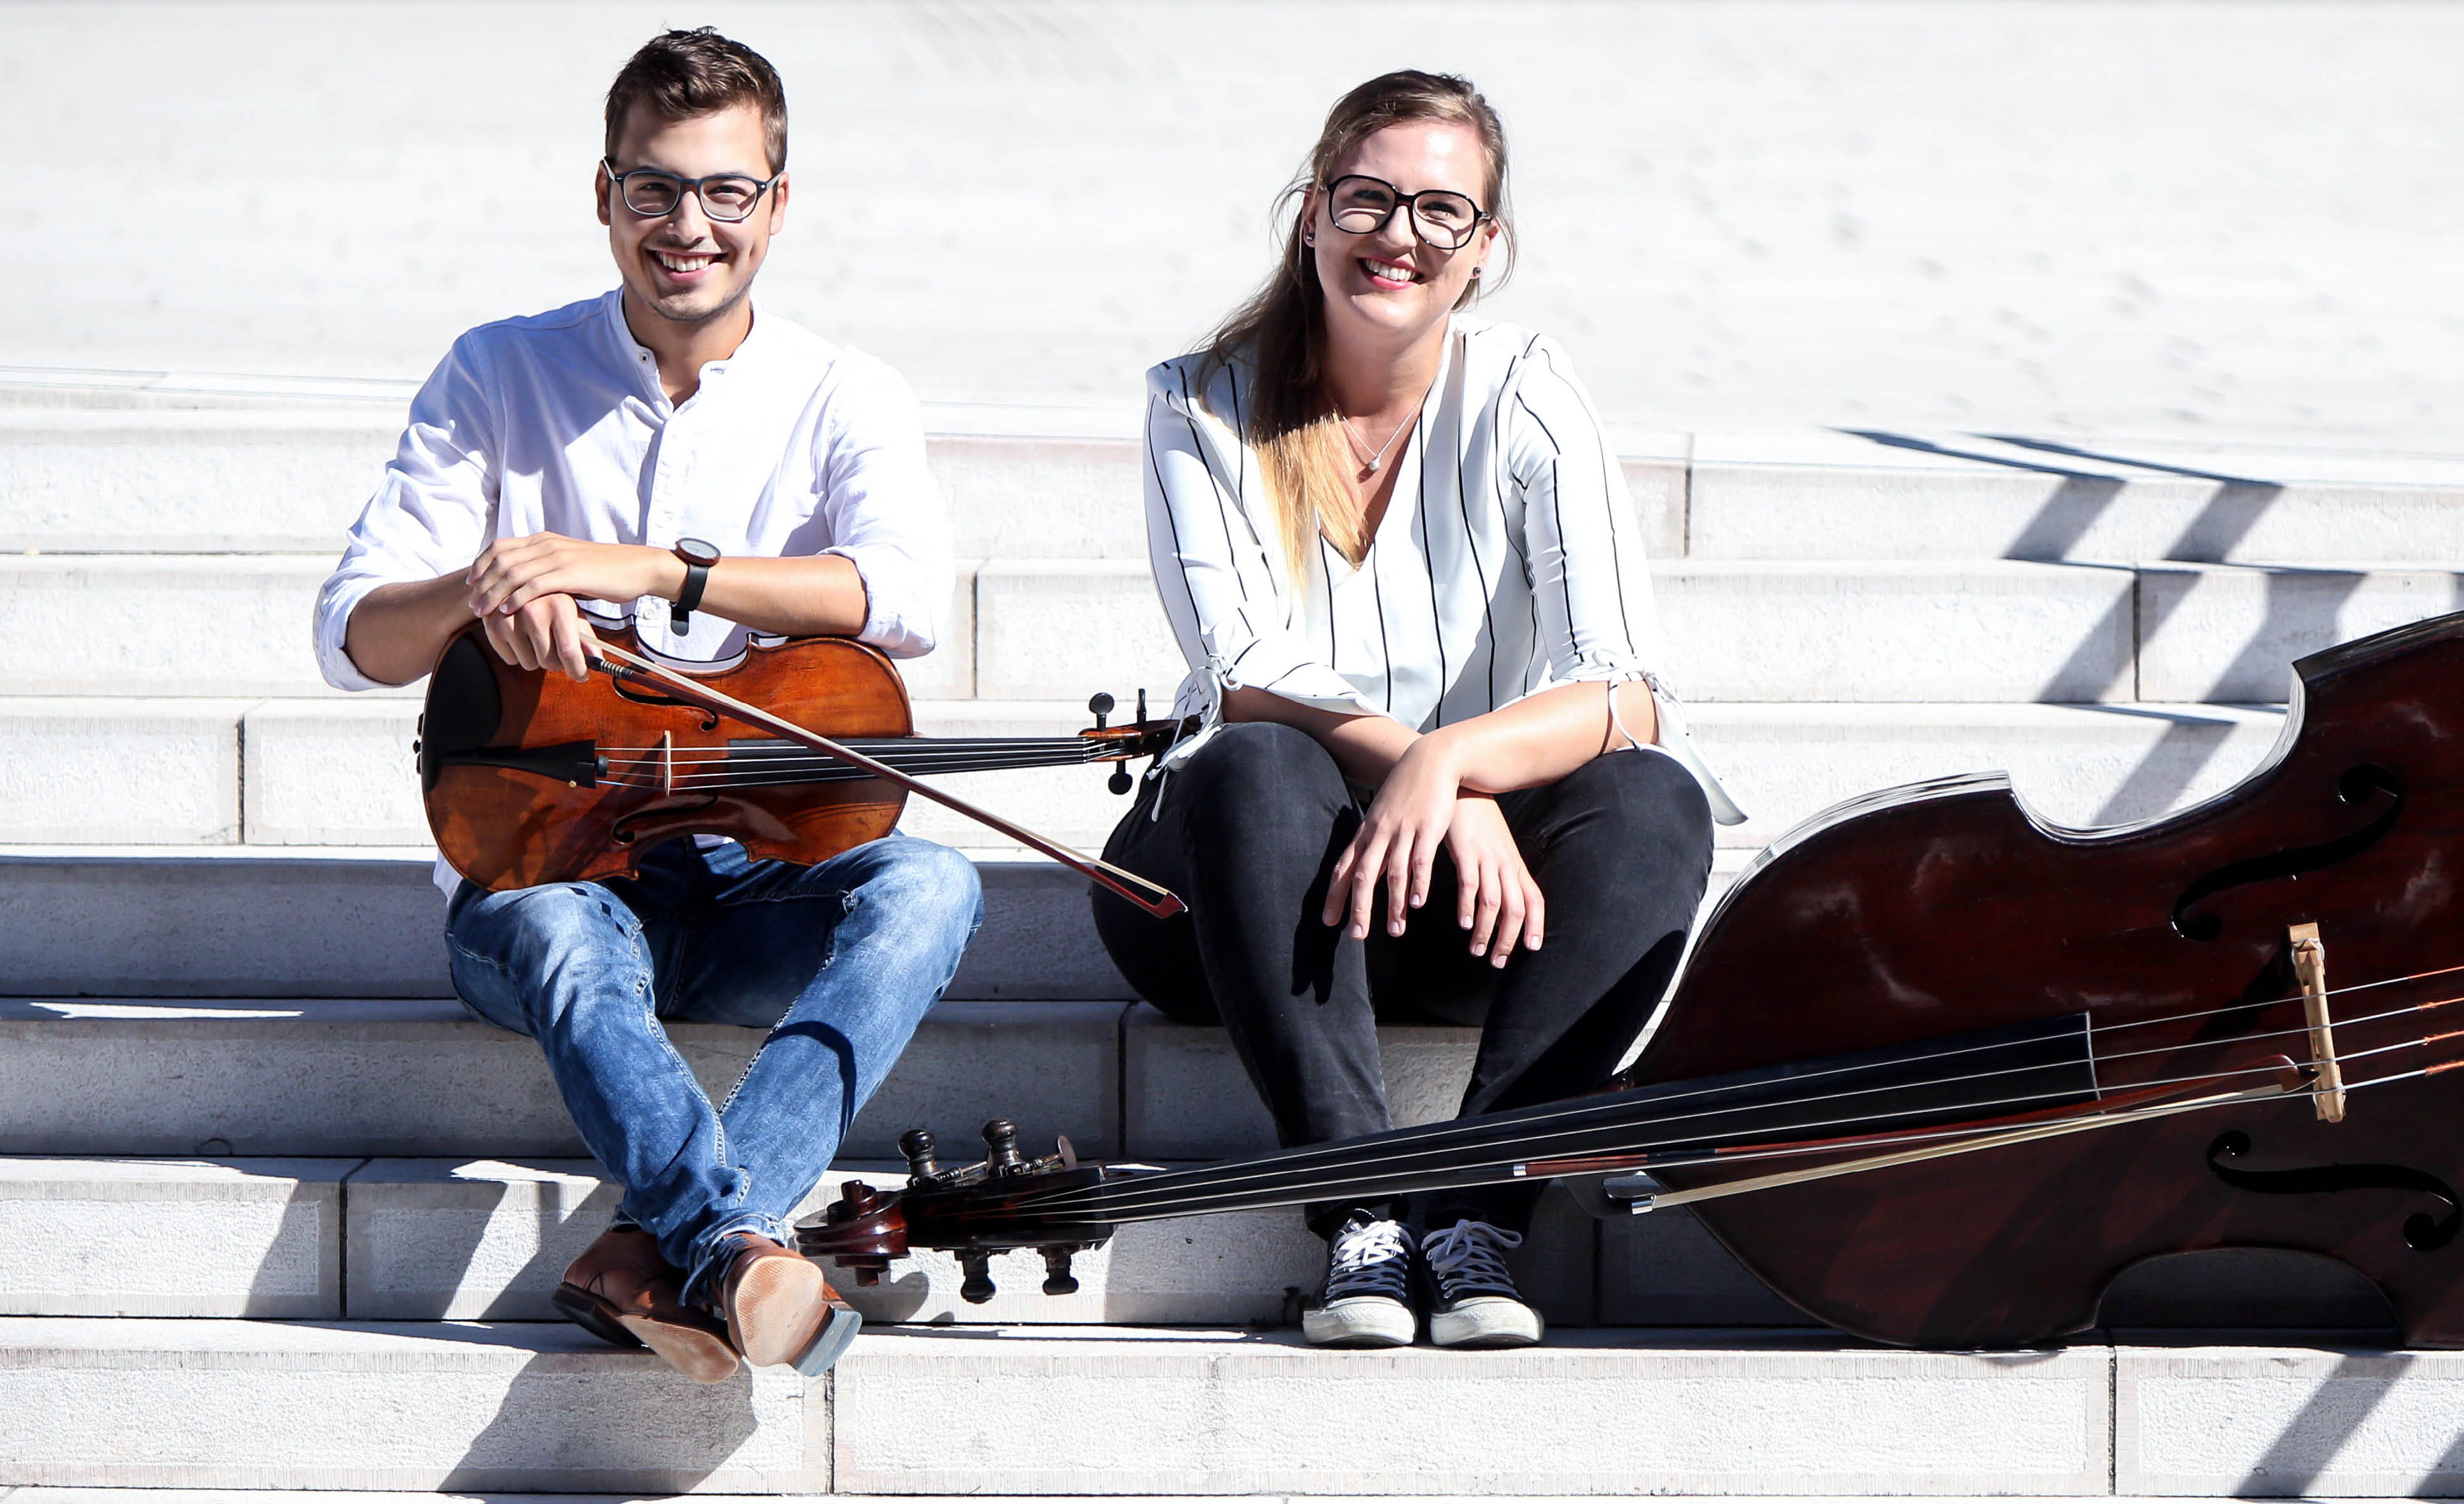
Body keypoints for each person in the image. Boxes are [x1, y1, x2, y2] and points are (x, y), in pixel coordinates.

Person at [313, 28, 975, 1384]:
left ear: (776, 206)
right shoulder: (498, 373)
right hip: (552, 870)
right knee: (555, 923)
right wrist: (479, 588)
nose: (690, 226)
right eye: (655, 188)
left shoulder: (844, 393)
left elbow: (903, 595)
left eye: (727, 192)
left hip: (752, 877)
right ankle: (727, 1243)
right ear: (604, 195)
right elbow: (355, 637)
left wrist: (656, 571)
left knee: (934, 887)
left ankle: (654, 1247)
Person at [1094, 70, 1743, 1351]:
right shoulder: (1196, 401)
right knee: (1254, 765)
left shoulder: (1524, 390)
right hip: (1240, 899)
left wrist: (1456, 769)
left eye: (1441, 210)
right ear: (1311, 213)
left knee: (1652, 803)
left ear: (1483, 248)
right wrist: (1423, 777)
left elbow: (1628, 687)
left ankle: (1481, 1204)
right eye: (1366, 198)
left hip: (1467, 915)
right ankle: (1355, 1214)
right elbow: (1241, 671)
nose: (1398, 234)